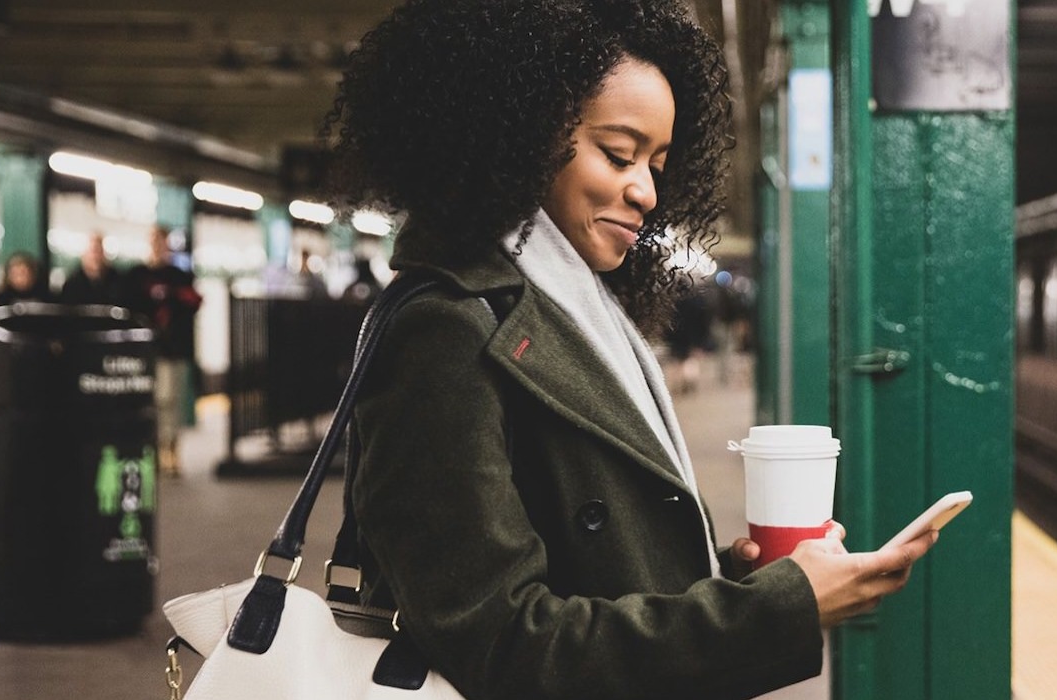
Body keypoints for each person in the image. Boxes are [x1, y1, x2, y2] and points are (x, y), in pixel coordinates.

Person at [326, 2, 938, 698]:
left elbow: (594, 568)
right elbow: (503, 646)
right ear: (518, 134)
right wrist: (777, 610)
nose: (645, 190)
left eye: (657, 163)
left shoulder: (582, 313)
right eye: (618, 154)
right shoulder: (444, 331)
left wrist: (731, 580)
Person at [124, 225, 203, 476]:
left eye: (161, 241)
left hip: (173, 349)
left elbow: (194, 302)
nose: (157, 246)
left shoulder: (179, 276)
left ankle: (171, 450)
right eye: (153, 241)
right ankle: (155, 449)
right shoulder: (136, 276)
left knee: (171, 400)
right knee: (153, 401)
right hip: (147, 350)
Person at [60, 231, 123, 306]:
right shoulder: (73, 283)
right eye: (92, 251)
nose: (95, 256)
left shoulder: (116, 281)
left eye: (98, 251)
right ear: (84, 254)